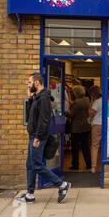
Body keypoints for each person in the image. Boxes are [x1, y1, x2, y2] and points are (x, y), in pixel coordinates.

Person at [16, 73, 71, 204]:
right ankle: (30, 194)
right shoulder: (37, 98)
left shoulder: (44, 98)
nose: (28, 85)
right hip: (34, 136)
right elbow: (30, 117)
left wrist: (38, 137)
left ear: (37, 83)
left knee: (37, 165)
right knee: (30, 165)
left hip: (38, 137)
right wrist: (30, 99)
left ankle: (62, 184)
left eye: (29, 83)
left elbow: (44, 120)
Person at [68, 85, 92, 170]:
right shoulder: (87, 100)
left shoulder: (76, 102)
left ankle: (75, 165)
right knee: (85, 146)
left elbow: (71, 114)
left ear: (75, 93)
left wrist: (62, 111)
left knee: (75, 147)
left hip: (77, 128)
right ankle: (89, 164)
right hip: (86, 126)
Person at [88, 85, 102, 174]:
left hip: (97, 125)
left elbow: (91, 113)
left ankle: (93, 168)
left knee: (94, 146)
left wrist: (91, 102)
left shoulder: (96, 102)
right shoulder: (106, 100)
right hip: (106, 124)